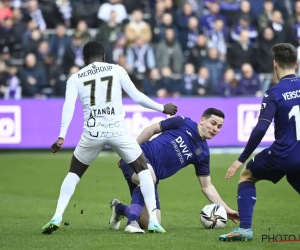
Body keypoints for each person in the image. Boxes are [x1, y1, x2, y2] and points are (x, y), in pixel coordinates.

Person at [41, 41, 177, 234]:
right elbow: (137, 97)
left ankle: (57, 215)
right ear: (104, 56)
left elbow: (68, 107)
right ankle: (153, 220)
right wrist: (162, 108)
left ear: (84, 59)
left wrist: (62, 135)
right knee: (144, 170)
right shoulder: (117, 70)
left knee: (73, 174)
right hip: (117, 132)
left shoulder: (75, 78)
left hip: (92, 133)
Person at [108, 108, 240, 233]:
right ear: (202, 120)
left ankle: (119, 208)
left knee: (151, 223)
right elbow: (151, 129)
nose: (215, 129)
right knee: (149, 178)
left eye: (219, 127)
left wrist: (226, 209)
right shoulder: (184, 122)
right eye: (213, 123)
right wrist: (131, 151)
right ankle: (132, 224)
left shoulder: (203, 154)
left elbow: (207, 186)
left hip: (152, 178)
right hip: (139, 158)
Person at [219, 43, 300, 242]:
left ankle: (245, 228)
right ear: (296, 64)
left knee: (247, 175)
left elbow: (261, 129)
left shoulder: (274, 92)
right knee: (294, 177)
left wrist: (241, 158)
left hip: (283, 154)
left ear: (275, 65)